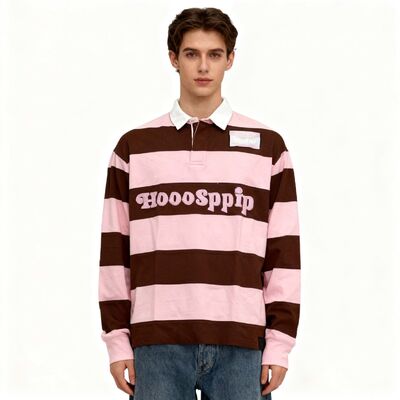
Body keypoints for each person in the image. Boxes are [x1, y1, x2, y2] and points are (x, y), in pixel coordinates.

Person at [98, 7, 301, 400]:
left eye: (214, 54)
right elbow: (114, 252)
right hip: (156, 342)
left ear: (230, 59)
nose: (203, 66)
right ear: (174, 59)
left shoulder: (268, 148)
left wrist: (279, 344)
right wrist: (117, 341)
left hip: (242, 343)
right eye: (192, 54)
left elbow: (283, 255)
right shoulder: (135, 148)